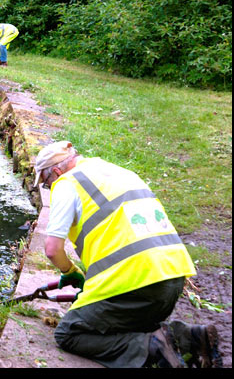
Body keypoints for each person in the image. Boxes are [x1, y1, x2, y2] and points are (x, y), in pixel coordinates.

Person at [33, 140, 222, 368]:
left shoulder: (66, 183)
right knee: (122, 323)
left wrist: (70, 270)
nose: (49, 188)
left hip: (137, 286)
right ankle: (189, 337)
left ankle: (152, 347)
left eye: (46, 183)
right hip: (173, 280)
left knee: (69, 332)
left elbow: (52, 250)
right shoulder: (117, 171)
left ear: (56, 171)